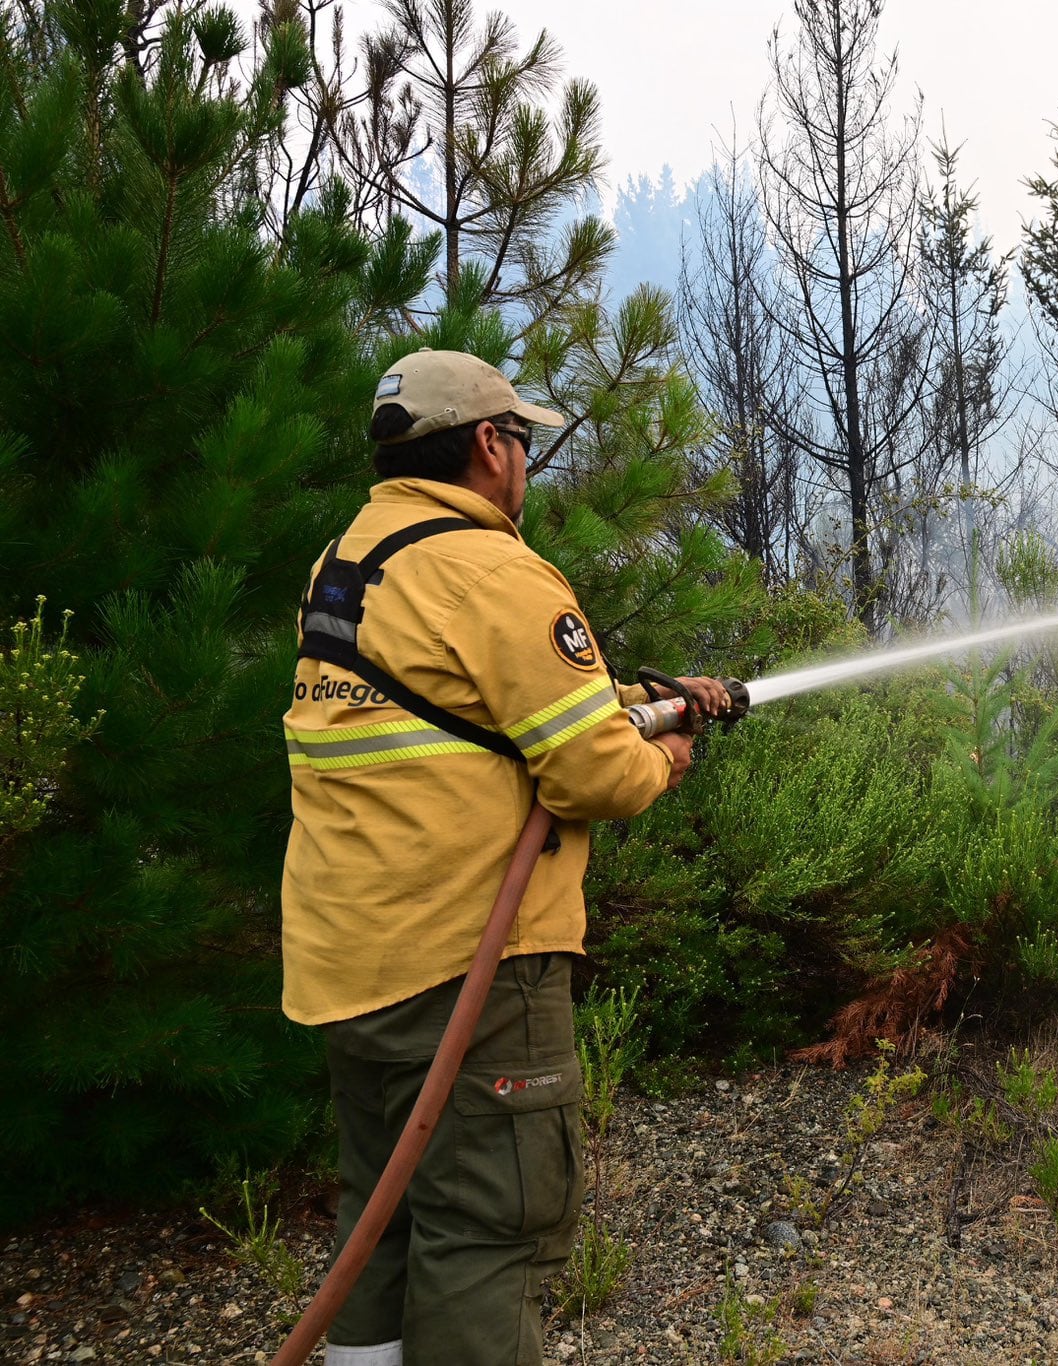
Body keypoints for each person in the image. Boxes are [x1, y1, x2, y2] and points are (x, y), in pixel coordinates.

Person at [280, 349, 729, 1365]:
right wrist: (659, 754)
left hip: (349, 962)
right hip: (467, 970)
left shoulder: (348, 561)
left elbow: (458, 714)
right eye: (521, 439)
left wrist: (620, 709)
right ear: (489, 444)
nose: (525, 461)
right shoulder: (493, 570)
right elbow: (591, 777)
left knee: (382, 1223)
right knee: (488, 1230)